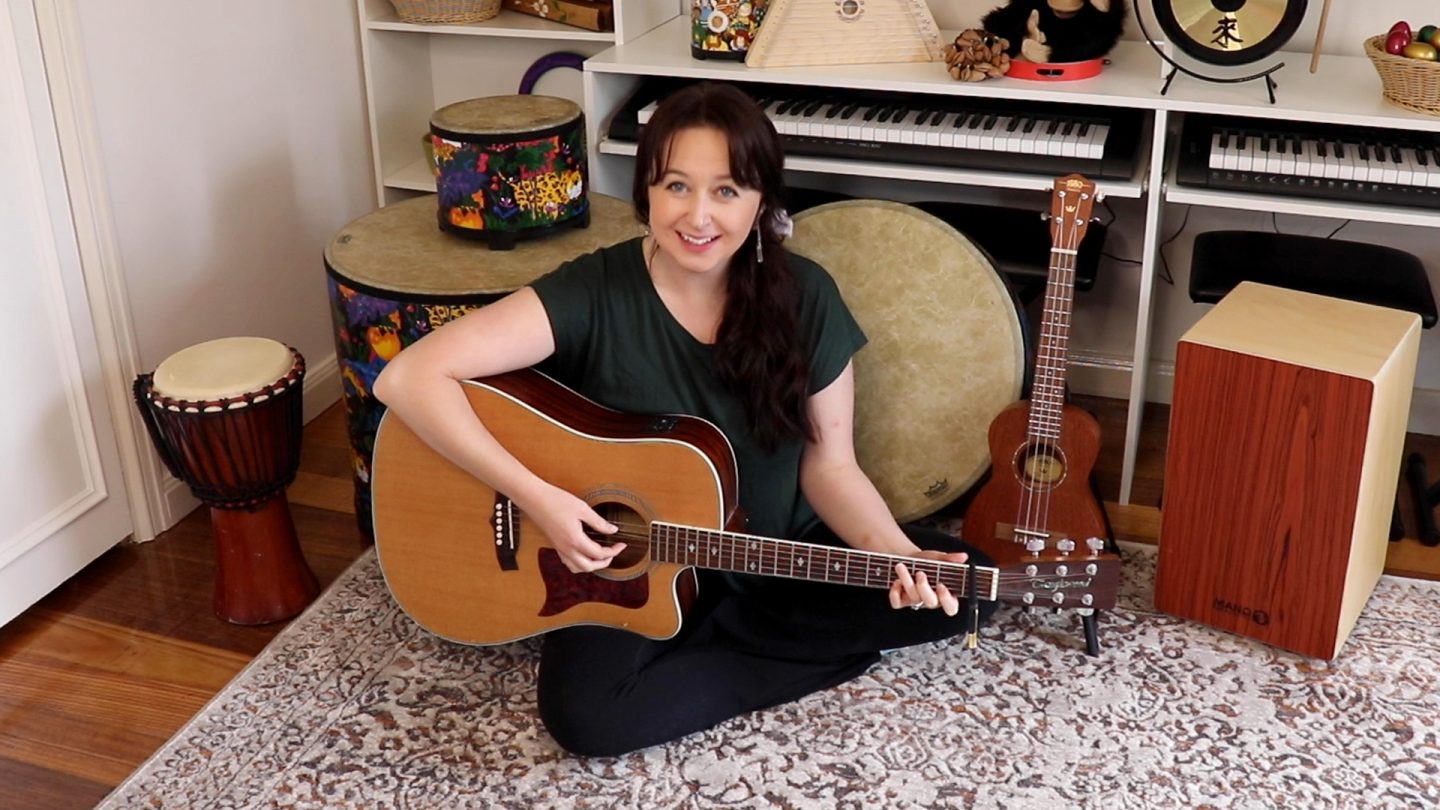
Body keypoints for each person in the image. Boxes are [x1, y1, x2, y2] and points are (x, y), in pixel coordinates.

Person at [372, 81, 997, 757]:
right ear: (646, 190)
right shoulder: (595, 289)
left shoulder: (806, 296)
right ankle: (791, 643)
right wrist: (541, 500)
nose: (698, 216)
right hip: (630, 563)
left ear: (762, 201)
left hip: (774, 550)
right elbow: (409, 376)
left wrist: (897, 560)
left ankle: (726, 633)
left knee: (965, 584)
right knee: (587, 720)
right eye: (676, 185)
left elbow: (831, 466)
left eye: (727, 190)